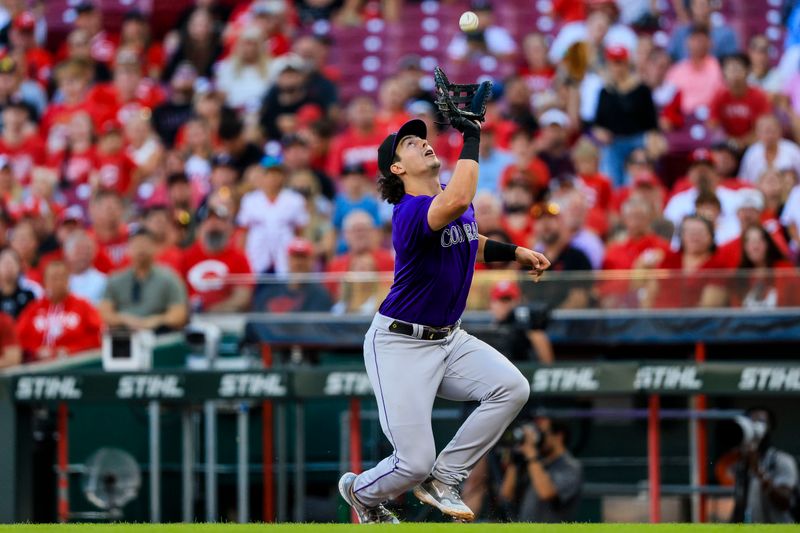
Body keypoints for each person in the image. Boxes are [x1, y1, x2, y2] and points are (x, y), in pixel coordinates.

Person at [337, 117, 550, 523]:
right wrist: (472, 136)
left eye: (422, 138)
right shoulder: (410, 211)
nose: (422, 143)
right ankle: (360, 492)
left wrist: (514, 250)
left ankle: (446, 477)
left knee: (511, 388)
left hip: (448, 339)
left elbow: (469, 238)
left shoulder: (450, 203)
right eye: (410, 144)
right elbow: (455, 203)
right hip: (399, 344)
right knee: (413, 462)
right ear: (396, 169)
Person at [98, 228, 188, 332]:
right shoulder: (116, 279)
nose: (141, 249)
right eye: (136, 245)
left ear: (155, 248)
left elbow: (179, 314)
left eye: (145, 244)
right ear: (128, 249)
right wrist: (124, 319)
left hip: (159, 335)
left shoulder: (169, 278)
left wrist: (157, 320)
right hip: (125, 335)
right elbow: (104, 312)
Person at [593, 46, 659, 187]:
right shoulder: (605, 91)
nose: (616, 67)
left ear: (627, 64)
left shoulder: (641, 90)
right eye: (613, 63)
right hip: (613, 143)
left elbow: (652, 122)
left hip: (637, 142)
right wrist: (601, 132)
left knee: (634, 182)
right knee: (610, 181)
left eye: (619, 62)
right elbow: (598, 122)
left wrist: (651, 141)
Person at [498, 417, 583, 522]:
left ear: (559, 437)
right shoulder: (534, 462)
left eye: (542, 433)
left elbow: (546, 493)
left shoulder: (571, 467)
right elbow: (506, 495)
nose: (538, 438)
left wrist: (531, 454)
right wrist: (514, 460)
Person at [15, 260, 103, 362]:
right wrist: (36, 351)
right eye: (53, 278)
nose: (58, 282)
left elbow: (98, 337)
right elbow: (18, 339)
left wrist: (71, 350)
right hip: (38, 366)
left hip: (75, 364)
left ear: (68, 280)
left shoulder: (83, 306)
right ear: (45, 282)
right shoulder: (33, 309)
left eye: (62, 277)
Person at [237, 158, 308, 274]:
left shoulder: (295, 200)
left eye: (277, 173)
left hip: (285, 256)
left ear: (283, 176)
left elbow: (301, 232)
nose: (273, 178)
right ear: (261, 176)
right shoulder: (249, 200)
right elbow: (243, 232)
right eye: (268, 174)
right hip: (257, 256)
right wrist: (241, 258)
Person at [181, 203, 253, 313]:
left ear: (229, 228)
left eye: (220, 221)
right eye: (208, 221)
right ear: (199, 228)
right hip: (192, 318)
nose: (214, 224)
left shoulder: (239, 258)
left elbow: (243, 296)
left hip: (227, 317)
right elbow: (177, 293)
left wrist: (214, 310)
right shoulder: (186, 257)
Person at [731, 408, 799, 523]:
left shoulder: (782, 460)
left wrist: (758, 471)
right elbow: (740, 503)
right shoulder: (741, 463)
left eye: (761, 422)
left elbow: (785, 502)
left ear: (770, 427)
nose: (754, 426)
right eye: (751, 422)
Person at [250, 237, 332, 313]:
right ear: (288, 259)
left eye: (303, 257)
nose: (299, 263)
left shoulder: (319, 294)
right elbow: (258, 320)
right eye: (295, 257)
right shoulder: (272, 291)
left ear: (311, 261)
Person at [708, 53, 771, 149]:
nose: (734, 74)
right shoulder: (719, 95)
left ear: (748, 71)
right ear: (723, 73)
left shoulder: (759, 96)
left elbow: (763, 126)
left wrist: (743, 143)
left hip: (753, 144)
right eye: (729, 70)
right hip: (726, 145)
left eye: (737, 69)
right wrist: (729, 141)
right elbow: (713, 125)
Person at [486, 280, 554, 364]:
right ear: (491, 304)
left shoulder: (523, 321)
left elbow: (539, 337)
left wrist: (546, 369)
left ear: (517, 301)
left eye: (508, 300)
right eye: (500, 300)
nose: (504, 305)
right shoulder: (490, 328)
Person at [665, 25, 724, 117]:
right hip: (681, 119)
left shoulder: (719, 69)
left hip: (711, 118)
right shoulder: (676, 70)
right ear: (687, 43)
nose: (698, 44)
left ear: (710, 43)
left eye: (701, 40)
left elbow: (721, 97)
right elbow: (669, 98)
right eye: (695, 40)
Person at [740, 114, 800, 184]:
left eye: (773, 131)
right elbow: (744, 180)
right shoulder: (752, 153)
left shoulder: (792, 150)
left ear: (780, 131)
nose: (770, 135)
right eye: (766, 131)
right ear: (758, 133)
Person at [64, 229, 107, 305]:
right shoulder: (61, 281)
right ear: (68, 254)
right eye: (79, 251)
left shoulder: (103, 281)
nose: (84, 255)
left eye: (87, 250)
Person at [0, 247, 36, 318]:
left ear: (19, 266)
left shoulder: (31, 293)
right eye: (5, 263)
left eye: (11, 263)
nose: (8, 267)